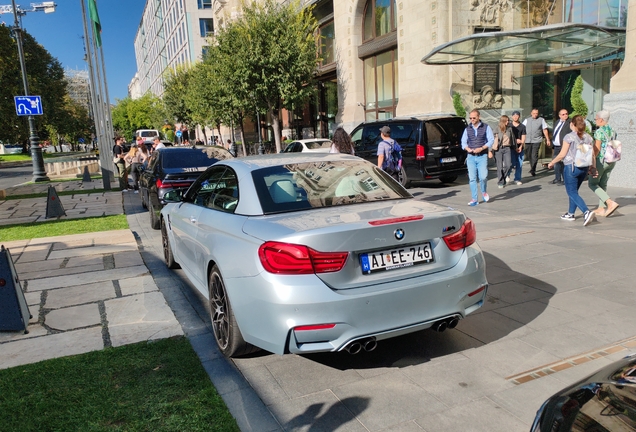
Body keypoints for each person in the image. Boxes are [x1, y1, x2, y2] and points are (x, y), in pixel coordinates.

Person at [548, 115, 596, 226]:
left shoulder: (569, 137)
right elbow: (592, 155)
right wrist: (593, 168)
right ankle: (570, 213)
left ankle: (586, 211)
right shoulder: (588, 137)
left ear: (572, 125)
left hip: (571, 167)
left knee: (571, 192)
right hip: (583, 168)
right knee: (574, 192)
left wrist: (552, 162)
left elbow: (562, 154)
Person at [588, 110, 620, 217]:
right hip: (612, 160)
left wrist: (591, 160)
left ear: (601, 120)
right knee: (603, 183)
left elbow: (596, 148)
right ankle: (601, 208)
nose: (595, 121)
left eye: (596, 119)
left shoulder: (599, 131)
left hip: (601, 161)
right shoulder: (613, 130)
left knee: (592, 183)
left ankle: (610, 203)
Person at [461, 109, 494, 206]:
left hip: (482, 156)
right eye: (470, 118)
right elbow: (463, 142)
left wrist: (482, 148)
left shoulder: (486, 127)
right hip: (471, 157)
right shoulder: (467, 129)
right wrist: (467, 149)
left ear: (479, 117)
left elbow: (491, 140)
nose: (472, 119)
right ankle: (474, 199)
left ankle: (484, 191)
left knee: (483, 177)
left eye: (474, 118)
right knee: (472, 178)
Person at [523, 108, 551, 176]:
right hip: (528, 140)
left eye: (536, 113)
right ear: (531, 113)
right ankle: (532, 166)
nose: (535, 115)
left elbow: (544, 129)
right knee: (529, 154)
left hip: (537, 140)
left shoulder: (541, 120)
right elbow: (522, 129)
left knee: (534, 155)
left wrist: (547, 139)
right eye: (534, 113)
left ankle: (533, 169)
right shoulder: (527, 120)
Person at [490, 115, 514, 188]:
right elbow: (491, 140)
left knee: (509, 165)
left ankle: (502, 178)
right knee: (499, 167)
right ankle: (500, 182)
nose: (508, 122)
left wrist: (515, 147)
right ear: (503, 121)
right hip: (499, 149)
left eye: (508, 120)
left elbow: (513, 139)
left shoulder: (509, 129)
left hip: (507, 148)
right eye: (507, 121)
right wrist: (490, 150)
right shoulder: (497, 129)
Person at [550, 109, 570, 185]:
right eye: (563, 114)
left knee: (564, 163)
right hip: (556, 146)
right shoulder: (557, 122)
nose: (565, 115)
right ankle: (557, 178)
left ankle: (565, 179)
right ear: (559, 115)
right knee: (556, 163)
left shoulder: (569, 123)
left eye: (566, 114)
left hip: (564, 146)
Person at [507, 110, 526, 185]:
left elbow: (523, 137)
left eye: (517, 115)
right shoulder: (509, 126)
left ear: (519, 116)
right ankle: (507, 175)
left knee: (519, 163)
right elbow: (507, 137)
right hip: (511, 148)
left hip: (519, 148)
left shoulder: (522, 126)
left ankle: (517, 179)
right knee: (510, 163)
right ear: (512, 117)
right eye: (514, 115)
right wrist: (515, 140)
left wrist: (521, 145)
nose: (515, 117)